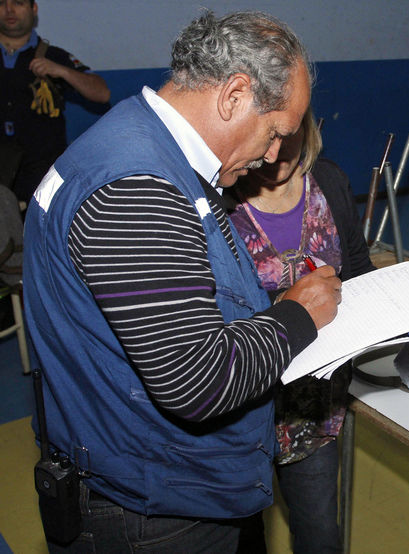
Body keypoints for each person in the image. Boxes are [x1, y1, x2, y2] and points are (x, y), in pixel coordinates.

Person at [23, 10, 342, 552]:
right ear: (235, 94)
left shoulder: (136, 141)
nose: (272, 156)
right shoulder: (136, 187)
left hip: (154, 483)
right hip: (154, 513)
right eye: (275, 133)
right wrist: (299, 314)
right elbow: (199, 381)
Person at [228, 107, 375, 553]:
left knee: (319, 534)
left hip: (313, 413)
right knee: (240, 538)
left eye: (289, 134)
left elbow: (359, 271)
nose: (279, 152)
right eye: (268, 136)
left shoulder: (329, 182)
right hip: (240, 410)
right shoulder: (219, 200)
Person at [0, 0, 110, 203]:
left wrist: (62, 71)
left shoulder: (53, 56)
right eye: (2, 4)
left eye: (18, 3)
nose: (9, 10)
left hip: (41, 175)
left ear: (34, 9)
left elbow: (102, 94)